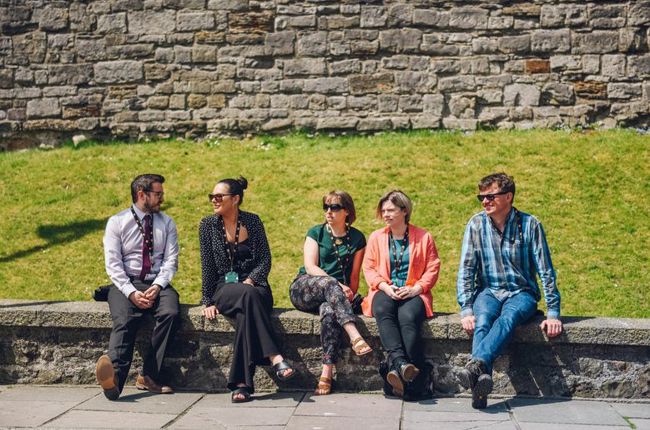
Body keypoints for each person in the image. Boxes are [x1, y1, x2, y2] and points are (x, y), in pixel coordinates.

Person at [456, 172, 562, 409]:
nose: (485, 202)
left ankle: (475, 366)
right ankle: (481, 379)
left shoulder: (530, 225)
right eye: (481, 197)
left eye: (490, 196)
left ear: (509, 197)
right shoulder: (475, 225)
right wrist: (466, 308)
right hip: (489, 291)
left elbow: (546, 271)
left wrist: (553, 312)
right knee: (482, 319)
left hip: (521, 292)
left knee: (509, 317)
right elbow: (466, 269)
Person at [199, 176, 295, 403]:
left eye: (219, 196)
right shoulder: (207, 225)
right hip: (225, 287)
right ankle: (275, 356)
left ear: (235, 199)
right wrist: (207, 300)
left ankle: (241, 385)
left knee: (245, 313)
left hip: (256, 286)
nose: (214, 200)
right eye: (212, 196)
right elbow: (208, 265)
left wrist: (251, 280)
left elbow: (265, 259)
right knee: (246, 295)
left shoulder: (252, 221)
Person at [96, 174, 180, 400]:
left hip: (157, 282)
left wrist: (158, 285)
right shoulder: (117, 222)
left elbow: (171, 260)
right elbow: (112, 264)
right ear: (142, 195)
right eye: (158, 194)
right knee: (124, 321)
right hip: (126, 283)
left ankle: (149, 375)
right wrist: (131, 292)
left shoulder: (167, 223)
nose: (162, 198)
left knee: (171, 313)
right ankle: (113, 382)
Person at [289, 191, 372, 395]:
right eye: (325, 207)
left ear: (346, 211)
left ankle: (326, 371)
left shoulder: (357, 238)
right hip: (306, 288)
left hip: (336, 296)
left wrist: (350, 292)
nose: (328, 211)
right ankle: (355, 335)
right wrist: (335, 283)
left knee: (329, 311)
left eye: (334, 207)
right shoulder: (316, 232)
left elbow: (354, 277)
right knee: (330, 286)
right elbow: (310, 266)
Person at [362, 190, 441, 400]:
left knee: (408, 318)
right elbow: (369, 268)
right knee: (382, 309)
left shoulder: (424, 237)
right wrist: (384, 287)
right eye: (383, 210)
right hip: (384, 289)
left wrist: (417, 288)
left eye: (391, 210)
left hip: (413, 291)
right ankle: (402, 364)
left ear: (404, 211)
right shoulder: (376, 237)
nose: (385, 214)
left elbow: (433, 266)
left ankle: (400, 372)